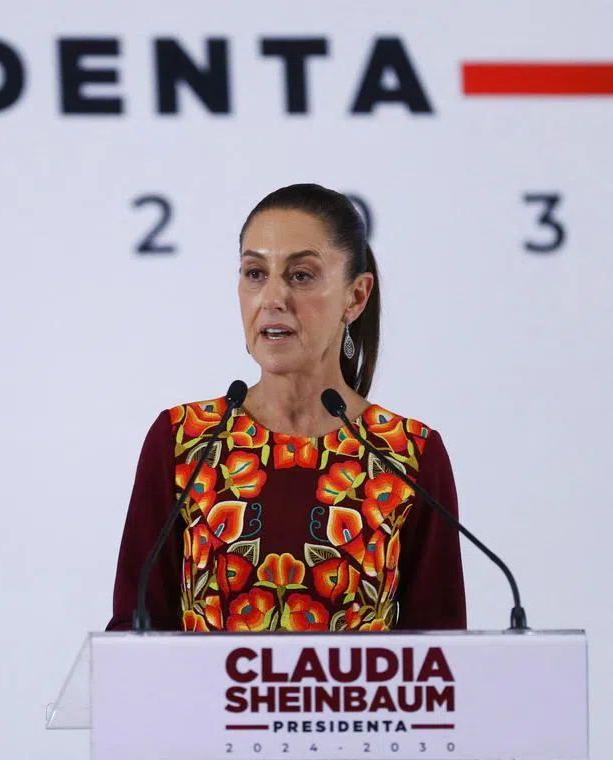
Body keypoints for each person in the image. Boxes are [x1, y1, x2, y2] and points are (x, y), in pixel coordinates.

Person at [106, 183, 466, 633]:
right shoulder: (185, 440)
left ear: (355, 297)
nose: (271, 299)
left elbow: (443, 657)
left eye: (300, 275)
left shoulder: (406, 454)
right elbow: (134, 633)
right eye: (255, 273)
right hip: (201, 706)